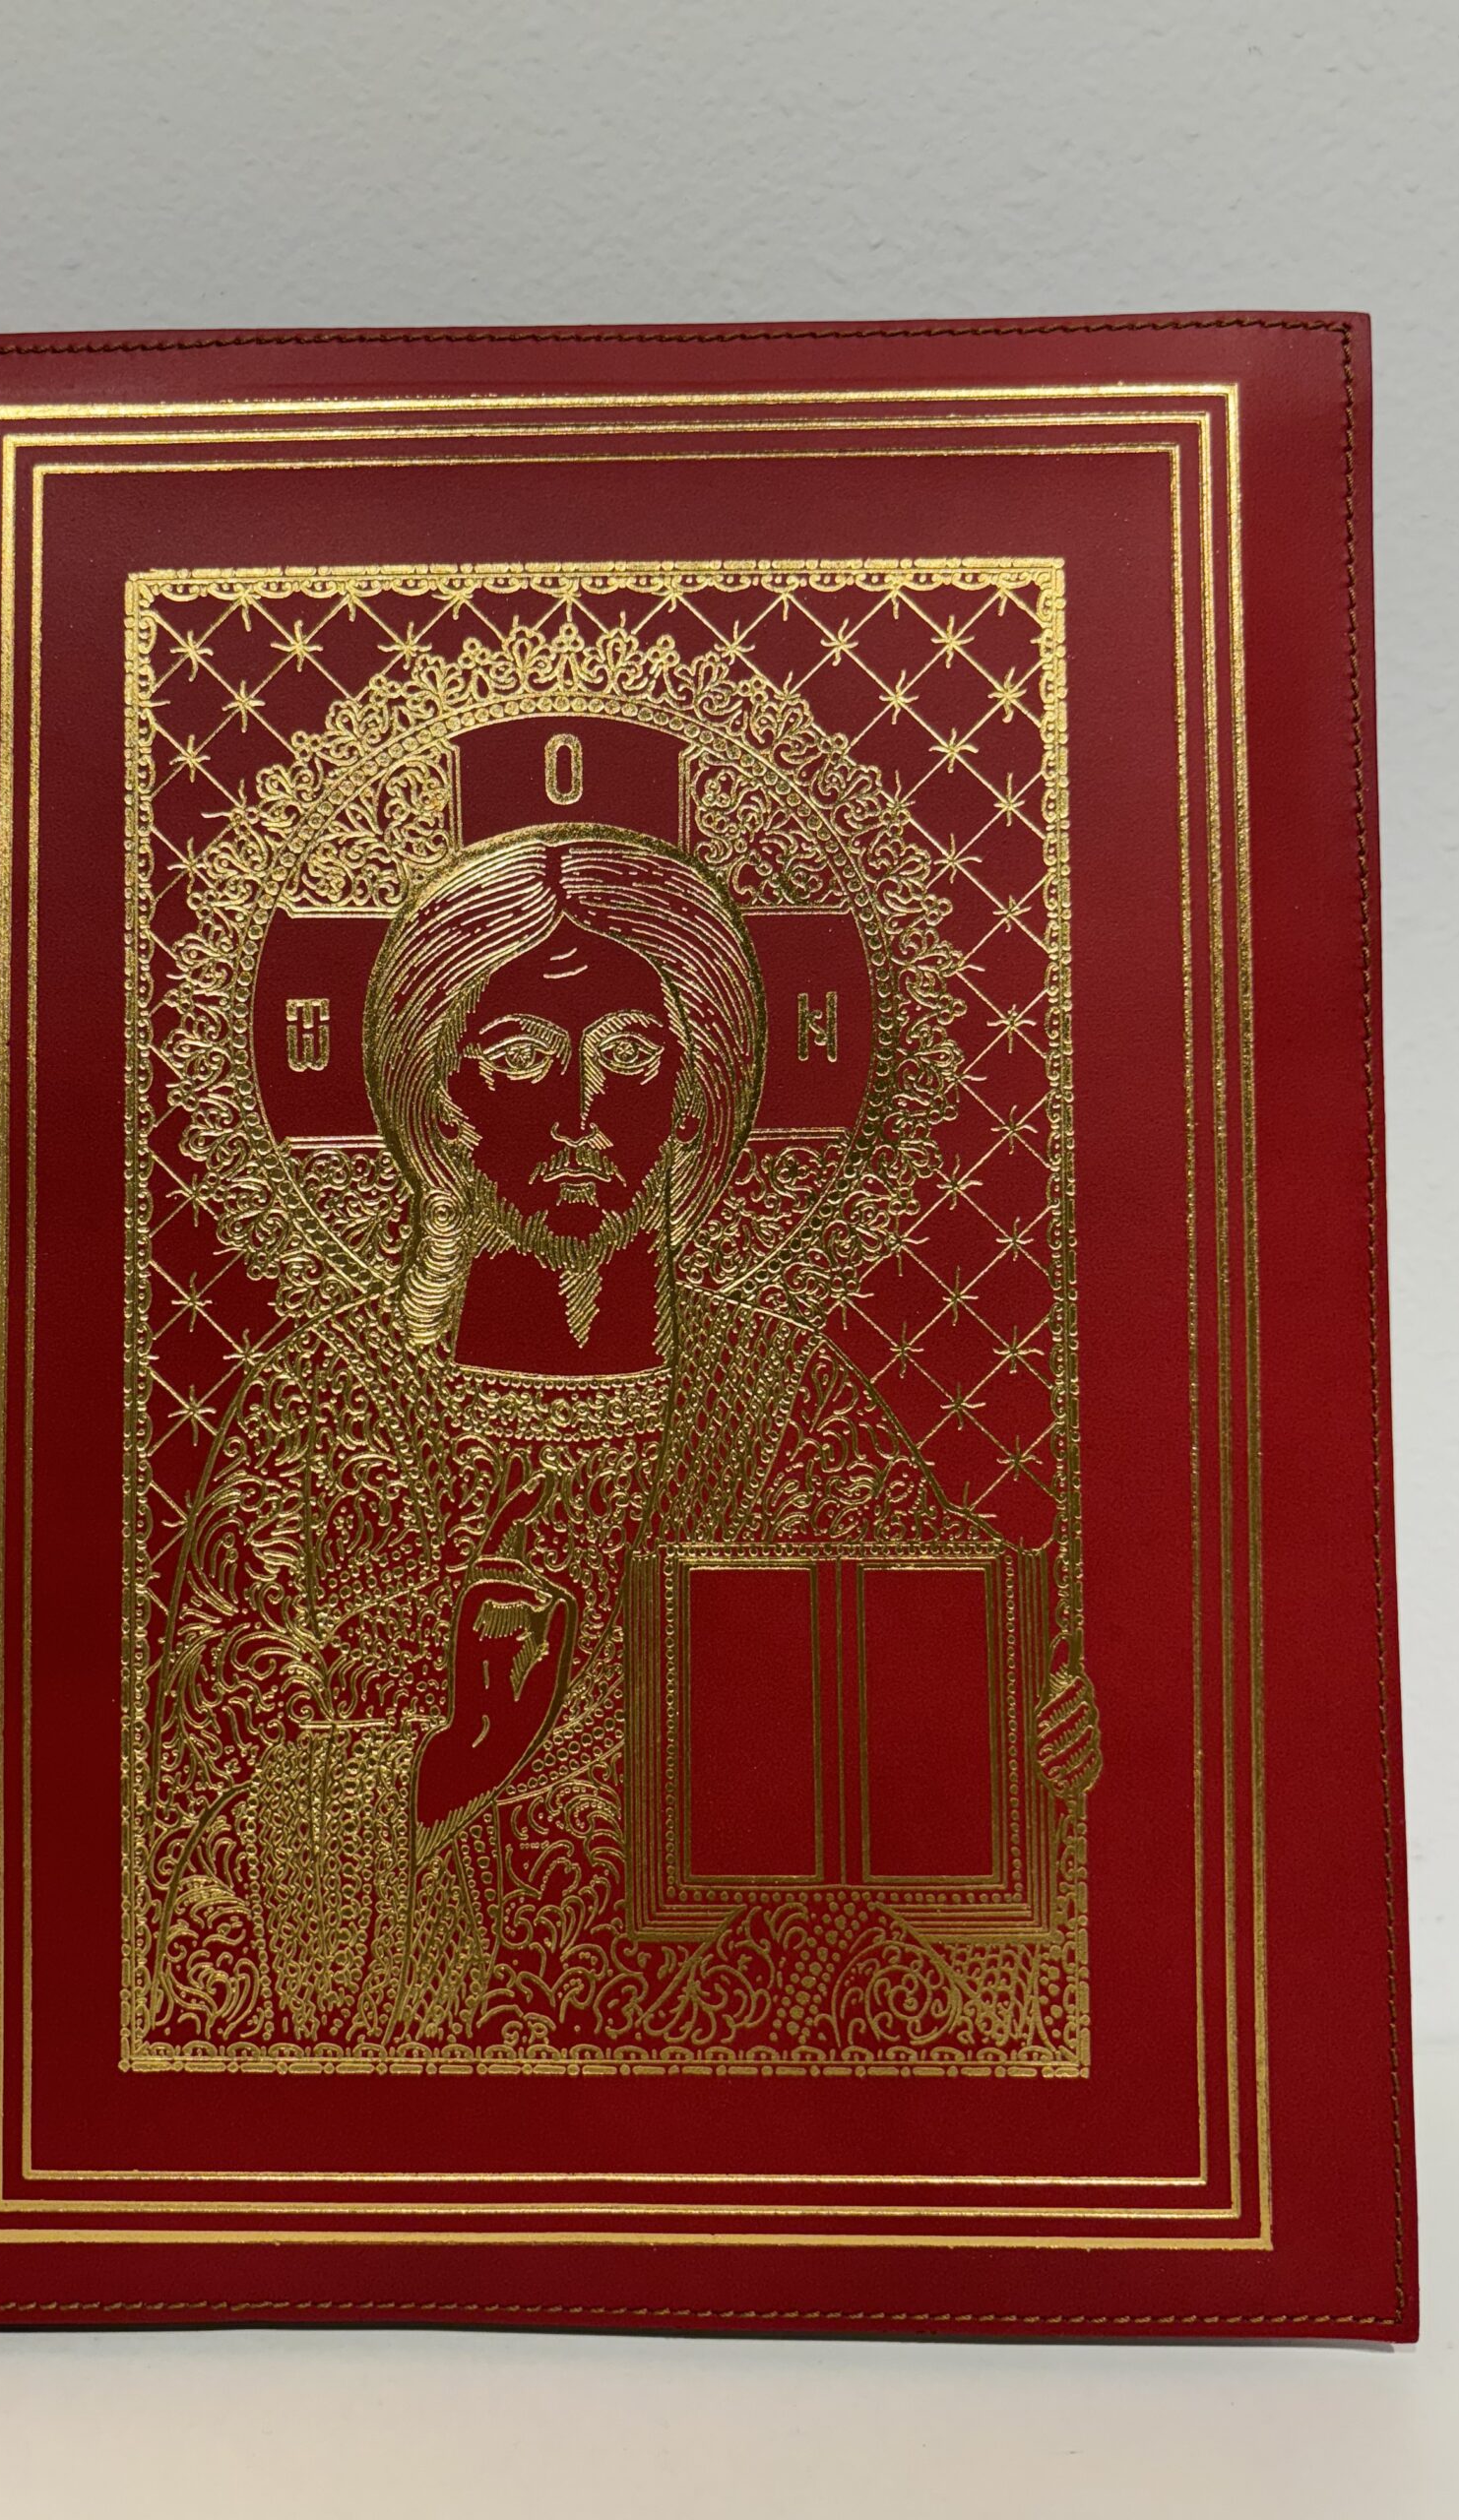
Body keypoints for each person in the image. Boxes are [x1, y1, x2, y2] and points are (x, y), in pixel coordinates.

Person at [144, 825, 982, 2062]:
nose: (585, 1112)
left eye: (632, 1057)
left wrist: (1022, 1742)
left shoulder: (790, 1400)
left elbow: (925, 1714)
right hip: (417, 2092)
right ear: (447, 1103)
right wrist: (458, 1763)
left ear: (691, 1107)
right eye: (526, 1057)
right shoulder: (322, 1405)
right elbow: (196, 1828)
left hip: (740, 2071)